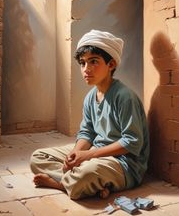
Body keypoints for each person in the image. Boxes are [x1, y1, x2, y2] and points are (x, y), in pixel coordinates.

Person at [30, 29, 149, 200]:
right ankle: (95, 184)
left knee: (87, 172)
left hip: (124, 164)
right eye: (82, 63)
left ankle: (61, 183)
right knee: (38, 157)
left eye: (94, 62)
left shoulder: (124, 97)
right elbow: (87, 132)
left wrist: (88, 156)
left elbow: (132, 143)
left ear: (111, 64)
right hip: (96, 153)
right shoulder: (90, 98)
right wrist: (75, 154)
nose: (86, 69)